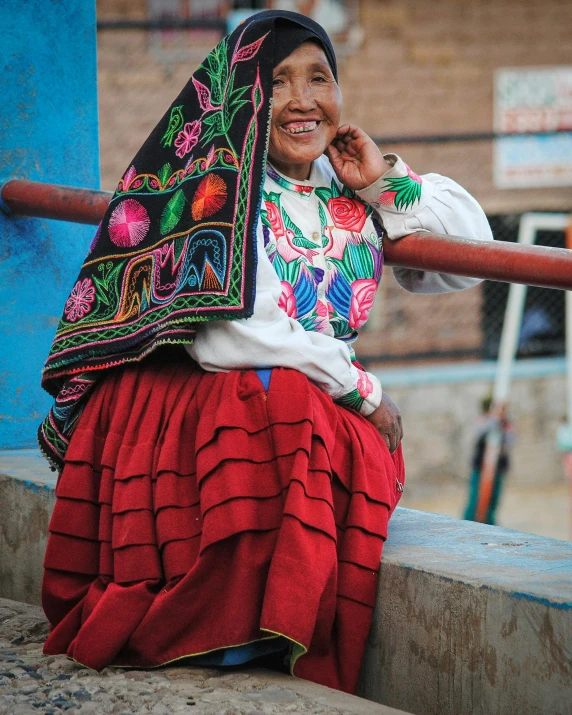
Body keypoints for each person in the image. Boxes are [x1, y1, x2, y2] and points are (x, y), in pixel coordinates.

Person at [38, 10, 493, 694]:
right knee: (275, 399)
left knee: (300, 409)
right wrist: (363, 390)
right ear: (246, 95)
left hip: (307, 396)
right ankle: (219, 622)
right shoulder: (219, 185)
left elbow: (471, 258)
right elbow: (233, 330)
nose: (303, 100)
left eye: (319, 78)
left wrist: (382, 182)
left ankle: (270, 618)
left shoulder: (349, 192)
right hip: (228, 398)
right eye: (277, 82)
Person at [463, 397, 515, 525]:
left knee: (493, 500)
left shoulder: (506, 425)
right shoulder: (484, 422)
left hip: (497, 470)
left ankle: (489, 524)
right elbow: (479, 435)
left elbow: (509, 444)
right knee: (475, 500)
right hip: (480, 468)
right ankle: (468, 524)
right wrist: (493, 423)